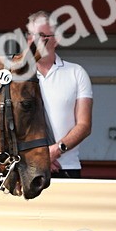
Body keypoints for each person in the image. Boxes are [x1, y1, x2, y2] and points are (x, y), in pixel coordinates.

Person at [27, 11, 92, 178]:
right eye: (30, 35)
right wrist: (39, 156)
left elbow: (84, 125)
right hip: (27, 167)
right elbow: (9, 124)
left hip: (66, 167)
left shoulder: (76, 73)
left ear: (56, 39)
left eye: (41, 35)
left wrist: (56, 150)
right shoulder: (17, 76)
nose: (34, 40)